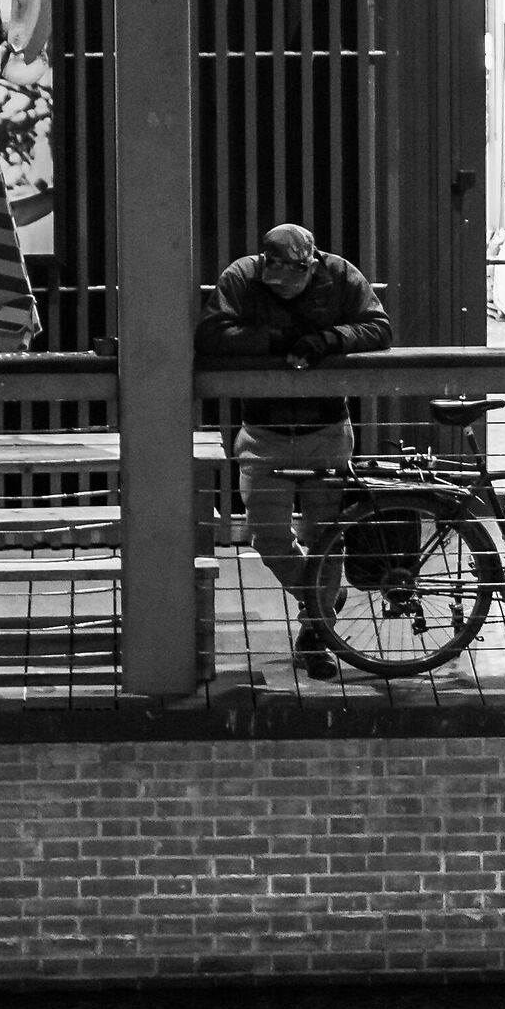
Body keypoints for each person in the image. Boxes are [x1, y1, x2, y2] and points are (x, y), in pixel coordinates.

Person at [195, 224, 394, 679]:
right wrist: (281, 340)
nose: (285, 282)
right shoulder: (241, 277)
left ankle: (315, 633)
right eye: (276, 272)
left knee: (326, 535)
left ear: (312, 262)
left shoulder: (340, 275)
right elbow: (210, 334)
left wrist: (330, 339)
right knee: (267, 536)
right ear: (264, 262)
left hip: (326, 427)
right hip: (262, 432)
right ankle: (321, 596)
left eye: (296, 274)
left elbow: (379, 327)